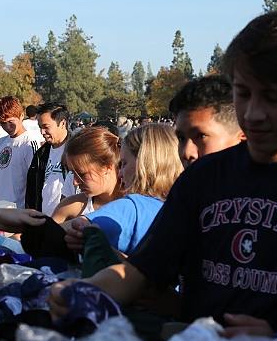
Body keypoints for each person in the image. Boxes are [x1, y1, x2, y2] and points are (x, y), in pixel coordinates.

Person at [49, 8, 277, 341]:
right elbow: (141, 270)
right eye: (243, 93)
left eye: (273, 97)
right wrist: (88, 290)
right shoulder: (204, 177)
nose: (253, 113)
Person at [65, 123, 183, 255]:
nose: (120, 173)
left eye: (124, 163)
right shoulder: (188, 206)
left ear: (144, 163)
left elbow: (79, 227)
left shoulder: (133, 207)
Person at [169, 75, 246, 169]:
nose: (187, 153)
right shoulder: (184, 183)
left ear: (242, 139)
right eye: (181, 138)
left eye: (201, 136)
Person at [51, 127, 124, 222]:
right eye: (72, 173)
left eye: (81, 174)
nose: (75, 182)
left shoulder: (138, 207)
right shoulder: (68, 208)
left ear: (107, 167)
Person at [26, 102, 70, 215]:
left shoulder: (77, 151)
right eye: (40, 127)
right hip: (43, 221)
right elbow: (32, 191)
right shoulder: (41, 154)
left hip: (69, 222)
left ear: (62, 123)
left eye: (46, 127)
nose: (42, 132)